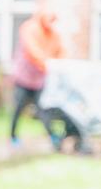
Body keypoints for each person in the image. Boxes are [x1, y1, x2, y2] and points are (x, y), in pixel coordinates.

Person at [9, 9, 65, 150]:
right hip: (23, 78)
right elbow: (32, 51)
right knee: (18, 108)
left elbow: (60, 51)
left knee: (44, 108)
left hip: (39, 80)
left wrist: (60, 64)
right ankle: (13, 136)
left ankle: (53, 136)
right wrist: (47, 64)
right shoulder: (30, 29)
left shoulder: (52, 34)